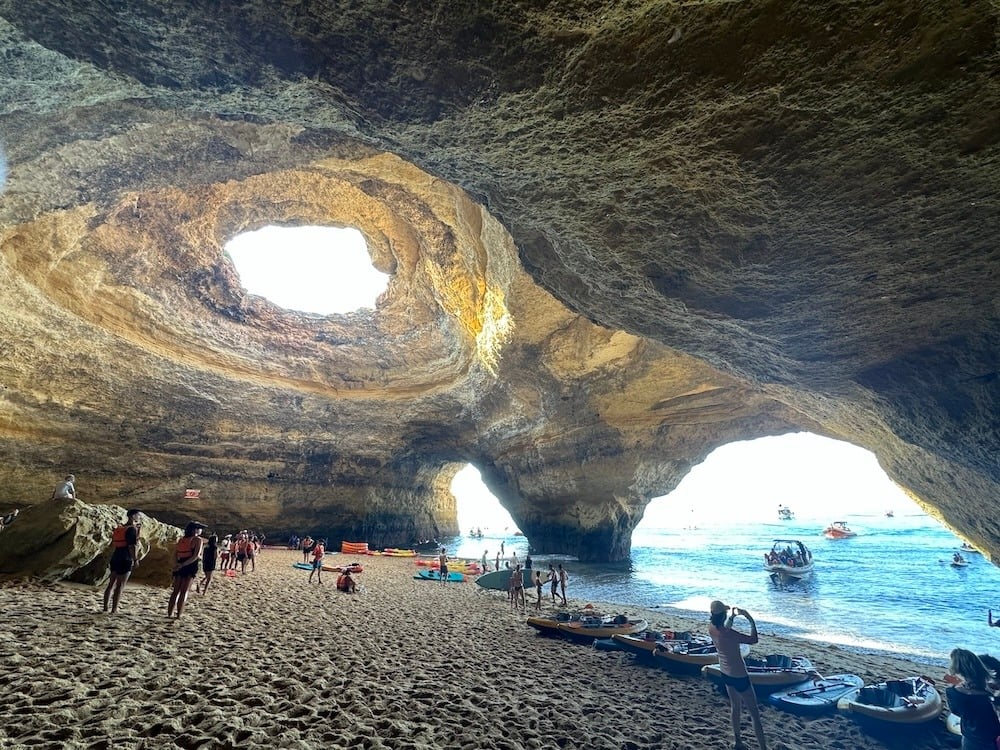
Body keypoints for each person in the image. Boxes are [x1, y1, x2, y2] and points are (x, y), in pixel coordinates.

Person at [708, 601, 768, 750]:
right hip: (740, 676)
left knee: (735, 706)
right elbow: (754, 639)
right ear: (723, 615)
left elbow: (724, 629)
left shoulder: (711, 628)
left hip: (726, 673)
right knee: (755, 714)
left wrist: (733, 618)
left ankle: (738, 742)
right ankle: (763, 748)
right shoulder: (730, 634)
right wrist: (749, 619)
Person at [944, 648, 1000, 750]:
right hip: (989, 737)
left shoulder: (952, 692)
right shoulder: (986, 695)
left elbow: (956, 711)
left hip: (971, 735)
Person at [102, 509, 141, 614]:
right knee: (120, 585)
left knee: (111, 584)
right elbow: (132, 546)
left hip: (116, 555)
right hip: (126, 557)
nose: (139, 517)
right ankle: (114, 609)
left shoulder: (121, 528)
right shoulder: (131, 529)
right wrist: (135, 559)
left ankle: (105, 607)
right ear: (133, 516)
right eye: (138, 515)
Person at [167, 522, 206, 619]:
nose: (201, 530)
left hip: (179, 564)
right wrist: (184, 565)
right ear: (195, 530)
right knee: (184, 591)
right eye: (199, 528)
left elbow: (175, 554)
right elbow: (195, 556)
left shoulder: (181, 539)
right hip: (190, 565)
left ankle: (170, 613)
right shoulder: (197, 540)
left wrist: (177, 565)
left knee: (175, 591)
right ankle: (179, 615)